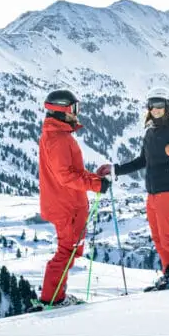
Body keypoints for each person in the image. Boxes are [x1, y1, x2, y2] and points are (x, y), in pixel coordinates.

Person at [98, 87, 169, 289]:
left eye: (159, 105)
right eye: (151, 105)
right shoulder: (151, 132)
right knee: (159, 238)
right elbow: (142, 160)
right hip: (153, 193)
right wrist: (116, 170)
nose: (155, 109)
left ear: (168, 106)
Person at [38, 89, 110, 306]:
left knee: (70, 252)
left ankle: (56, 297)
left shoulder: (57, 135)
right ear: (63, 110)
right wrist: (96, 184)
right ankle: (52, 300)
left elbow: (71, 171)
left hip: (67, 203)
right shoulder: (59, 139)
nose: (77, 113)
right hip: (68, 207)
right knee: (66, 253)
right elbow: (66, 176)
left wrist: (95, 178)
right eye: (75, 108)